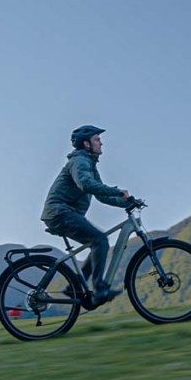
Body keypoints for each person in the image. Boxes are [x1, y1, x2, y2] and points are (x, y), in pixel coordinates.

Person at [41, 125, 133, 306]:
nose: (101, 143)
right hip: (59, 212)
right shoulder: (80, 162)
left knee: (97, 242)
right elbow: (85, 184)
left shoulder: (89, 163)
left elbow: (100, 195)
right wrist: (117, 191)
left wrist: (126, 202)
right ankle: (100, 289)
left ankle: (73, 286)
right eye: (97, 139)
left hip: (63, 213)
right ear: (86, 143)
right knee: (100, 240)